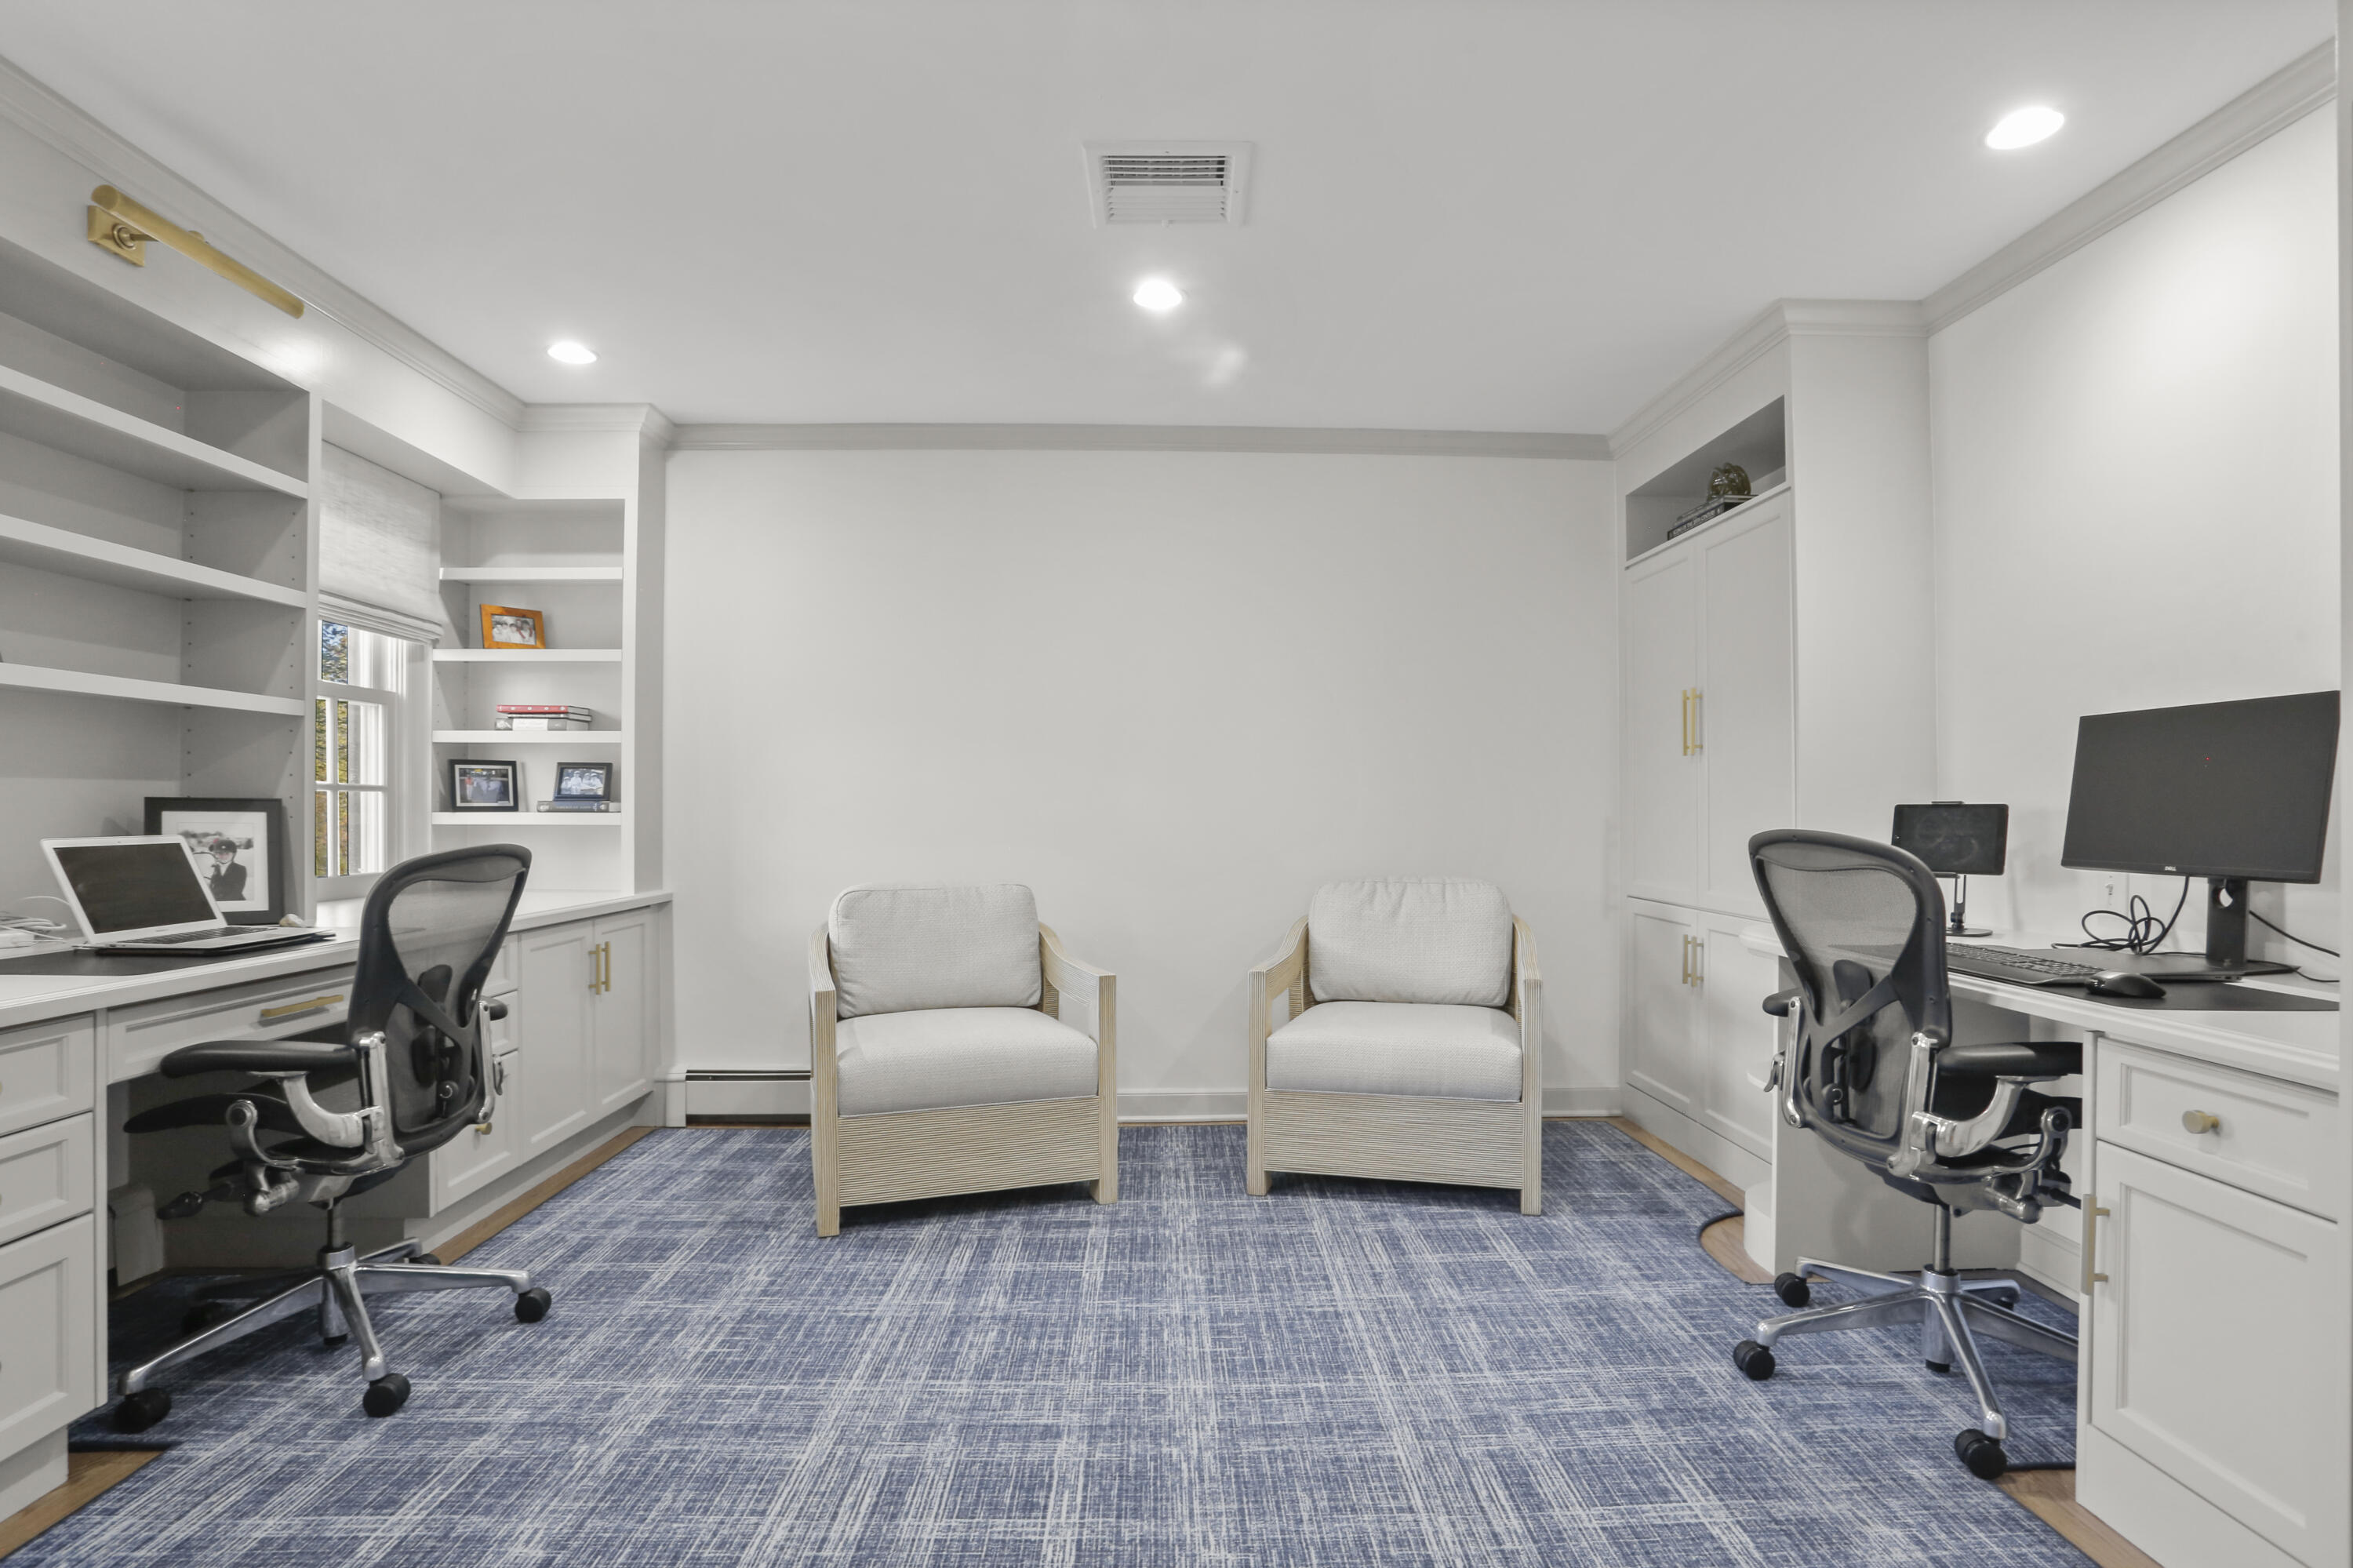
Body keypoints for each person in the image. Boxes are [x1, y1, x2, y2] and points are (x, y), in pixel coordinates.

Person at [204, 836, 248, 902]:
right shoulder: (212, 868)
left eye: (227, 853)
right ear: (215, 854)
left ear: (234, 854)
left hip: (234, 902)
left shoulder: (240, 869)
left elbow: (236, 892)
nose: (223, 856)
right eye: (220, 853)